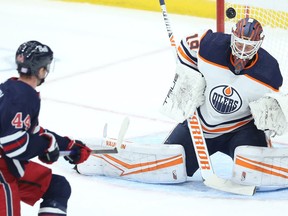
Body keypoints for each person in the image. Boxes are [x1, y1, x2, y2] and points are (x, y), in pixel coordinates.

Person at [163, 17, 283, 177]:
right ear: (232, 37)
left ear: (259, 44)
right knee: (168, 169)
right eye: (240, 44)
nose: (242, 51)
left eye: (249, 47)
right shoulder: (210, 46)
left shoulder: (269, 72)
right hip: (200, 126)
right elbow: (186, 47)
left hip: (241, 130)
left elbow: (272, 109)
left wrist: (268, 126)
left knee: (257, 175)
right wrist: (189, 77)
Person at [0, 40, 92, 216]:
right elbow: (13, 145)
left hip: (8, 167)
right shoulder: (22, 97)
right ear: (41, 70)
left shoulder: (11, 88)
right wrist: (46, 146)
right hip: (3, 172)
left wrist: (68, 146)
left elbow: (33, 132)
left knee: (57, 187)